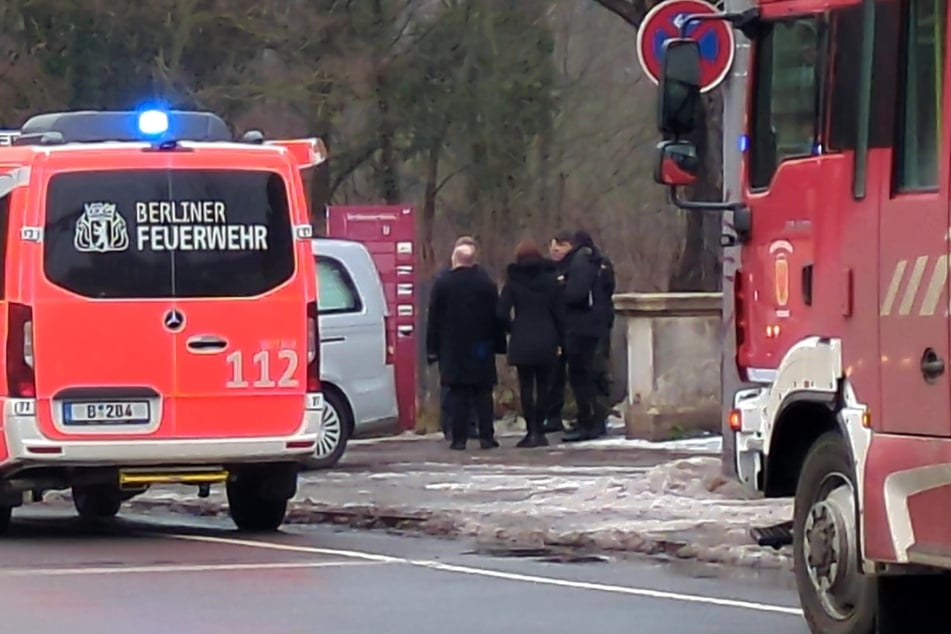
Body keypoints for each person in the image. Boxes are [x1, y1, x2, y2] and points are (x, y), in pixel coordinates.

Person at [426, 242, 505, 450]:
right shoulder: (486, 284)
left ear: (456, 260)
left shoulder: (443, 284)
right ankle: (487, 436)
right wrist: (499, 344)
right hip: (481, 345)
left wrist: (432, 348)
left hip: (453, 348)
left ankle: (458, 438)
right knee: (483, 392)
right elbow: (496, 317)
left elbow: (434, 318)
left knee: (458, 393)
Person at [497, 239, 566, 448]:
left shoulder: (513, 281)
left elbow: (500, 312)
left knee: (526, 386)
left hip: (522, 338)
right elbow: (560, 313)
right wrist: (560, 338)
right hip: (547, 337)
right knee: (544, 386)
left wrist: (512, 328)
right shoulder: (551, 280)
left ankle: (530, 431)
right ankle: (541, 429)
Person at [555, 231, 607, 442]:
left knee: (581, 376)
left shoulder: (580, 262)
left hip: (580, 326)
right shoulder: (594, 261)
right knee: (590, 375)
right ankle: (593, 419)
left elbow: (576, 294)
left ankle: (589, 422)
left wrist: (562, 286)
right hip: (593, 324)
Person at [435, 236, 480, 440]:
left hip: (473, 342)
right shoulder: (444, 281)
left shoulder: (479, 280)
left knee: (472, 385)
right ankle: (451, 425)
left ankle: (469, 425)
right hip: (453, 343)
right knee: (451, 387)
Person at [574, 230, 616, 438]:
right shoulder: (603, 264)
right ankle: (599, 417)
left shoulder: (583, 265)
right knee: (599, 373)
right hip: (602, 322)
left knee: (589, 374)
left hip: (588, 326)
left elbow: (576, 294)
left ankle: (592, 420)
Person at [542, 231, 574, 434]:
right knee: (552, 376)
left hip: (570, 327)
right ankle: (550, 415)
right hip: (551, 329)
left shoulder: (576, 268)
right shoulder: (547, 271)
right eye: (552, 244)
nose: (554, 249)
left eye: (560, 245)